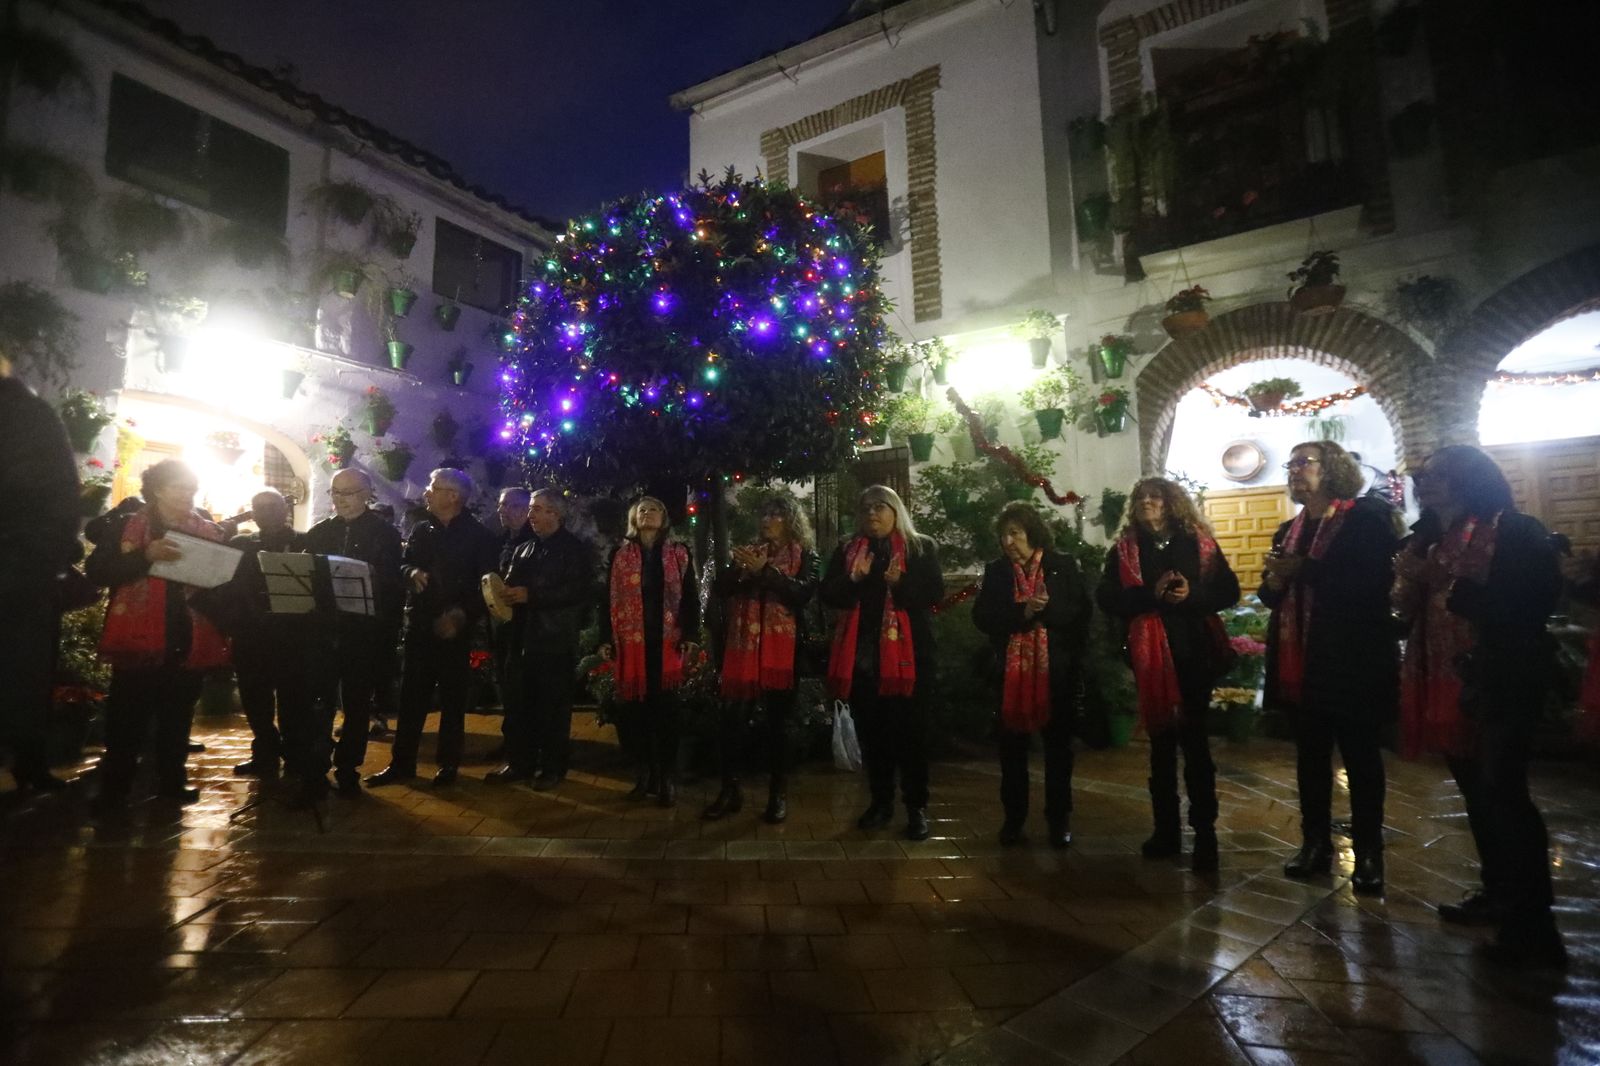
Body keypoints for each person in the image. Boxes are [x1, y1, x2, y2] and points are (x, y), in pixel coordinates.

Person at [1394, 445, 1565, 968]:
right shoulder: (1427, 538)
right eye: (1423, 477)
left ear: (1471, 480)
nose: (1427, 484)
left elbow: (1532, 604)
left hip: (1500, 677)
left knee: (1504, 794)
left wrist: (1449, 588)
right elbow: (1408, 608)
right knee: (1477, 792)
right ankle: (1499, 894)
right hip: (1445, 676)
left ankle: (1534, 927)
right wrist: (1407, 587)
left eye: (1440, 475)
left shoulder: (1514, 529)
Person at [1259, 441, 1398, 895]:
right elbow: (1273, 596)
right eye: (1292, 463)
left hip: (1352, 657)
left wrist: (1304, 569)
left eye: (1306, 462)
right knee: (1310, 756)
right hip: (1304, 658)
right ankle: (1314, 843)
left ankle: (1370, 854)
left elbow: (1369, 582)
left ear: (1332, 468)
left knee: (1360, 756)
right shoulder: (1288, 529)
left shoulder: (1365, 518)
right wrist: (1276, 581)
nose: (1296, 470)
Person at [1097, 477, 1240, 872]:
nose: (1147, 502)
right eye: (1141, 497)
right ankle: (1166, 830)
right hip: (1149, 657)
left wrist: (1190, 594)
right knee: (1160, 747)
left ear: (1171, 503)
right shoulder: (1125, 548)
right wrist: (1150, 596)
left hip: (1193, 652)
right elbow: (1106, 596)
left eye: (1155, 496)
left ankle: (1205, 833)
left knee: (1196, 745)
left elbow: (1229, 590)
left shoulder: (1198, 541)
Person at [86, 460, 231, 812]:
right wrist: (145, 556)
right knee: (126, 719)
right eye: (178, 487)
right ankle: (114, 790)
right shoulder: (128, 525)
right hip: (138, 636)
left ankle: (171, 782)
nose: (186, 495)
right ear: (157, 489)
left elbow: (223, 587)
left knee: (178, 716)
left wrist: (211, 581)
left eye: (190, 488)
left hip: (188, 633)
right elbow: (99, 571)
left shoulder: (205, 530)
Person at [820, 485, 943, 841]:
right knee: (874, 738)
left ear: (896, 511)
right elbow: (828, 594)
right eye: (866, 508)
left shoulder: (920, 547)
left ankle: (917, 808)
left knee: (911, 738)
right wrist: (854, 578)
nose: (872, 514)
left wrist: (900, 583)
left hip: (909, 662)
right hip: (863, 662)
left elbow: (933, 594)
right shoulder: (849, 550)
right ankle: (881, 802)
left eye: (880, 507)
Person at [367, 468, 499, 787]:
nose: (426, 491)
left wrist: (460, 616)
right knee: (411, 699)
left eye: (433, 486)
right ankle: (402, 764)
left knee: (453, 701)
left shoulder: (479, 536)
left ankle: (448, 765)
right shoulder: (421, 530)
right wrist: (410, 571)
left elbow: (488, 586)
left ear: (453, 496)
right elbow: (403, 563)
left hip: (456, 629)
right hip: (421, 625)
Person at [972, 502, 1091, 848]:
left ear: (1032, 533)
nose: (1008, 541)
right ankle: (1014, 819)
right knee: (1012, 750)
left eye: (1015, 533)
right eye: (1004, 535)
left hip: (1055, 671)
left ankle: (1058, 819)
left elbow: (1080, 613)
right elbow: (982, 617)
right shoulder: (997, 572)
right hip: (1011, 674)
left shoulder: (1061, 565)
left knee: (1058, 749)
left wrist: (1046, 610)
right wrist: (1022, 612)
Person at [706, 495, 821, 824]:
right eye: (765, 513)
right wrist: (741, 570)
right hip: (743, 649)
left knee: (778, 727)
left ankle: (777, 795)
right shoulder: (750, 551)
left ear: (791, 520)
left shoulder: (806, 555)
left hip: (782, 653)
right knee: (731, 722)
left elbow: (802, 593)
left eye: (776, 514)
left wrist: (765, 572)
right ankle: (730, 791)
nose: (767, 519)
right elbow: (721, 588)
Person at [0, 350, 81, 792]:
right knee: (24, 676)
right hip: (27, 573)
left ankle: (29, 764)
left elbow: (54, 497)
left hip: (21, 571)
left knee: (22, 673)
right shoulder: (32, 414)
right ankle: (29, 765)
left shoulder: (26, 416)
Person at [303, 469, 404, 795]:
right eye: (335, 492)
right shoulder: (319, 532)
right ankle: (316, 768)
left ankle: (349, 768)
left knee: (357, 704)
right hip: (323, 631)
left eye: (348, 492)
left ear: (367, 494)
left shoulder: (385, 534)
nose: (340, 499)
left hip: (362, 633)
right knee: (319, 702)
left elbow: (391, 585)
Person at [599, 497, 699, 807]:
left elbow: (690, 599)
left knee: (666, 712)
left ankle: (666, 776)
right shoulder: (620, 555)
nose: (647, 513)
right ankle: (645, 773)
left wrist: (692, 634)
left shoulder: (679, 554)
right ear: (633, 517)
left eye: (654, 509)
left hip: (666, 643)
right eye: (641, 509)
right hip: (631, 644)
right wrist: (605, 638)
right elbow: (607, 599)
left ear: (664, 517)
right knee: (634, 713)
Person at [491, 489, 592, 788]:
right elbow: (511, 583)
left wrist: (531, 596)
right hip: (521, 637)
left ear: (556, 514)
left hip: (554, 639)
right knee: (519, 705)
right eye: (532, 509)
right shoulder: (525, 548)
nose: (531, 515)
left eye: (538, 509)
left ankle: (552, 768)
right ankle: (519, 763)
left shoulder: (574, 550)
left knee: (552, 708)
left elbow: (577, 592)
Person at [227, 489, 310, 784]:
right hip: (250, 635)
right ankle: (265, 750)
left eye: (272, 507)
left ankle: (294, 754)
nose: (265, 513)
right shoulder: (240, 544)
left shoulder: (304, 541)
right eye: (258, 508)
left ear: (284, 509)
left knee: (292, 699)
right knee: (254, 698)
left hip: (291, 636)